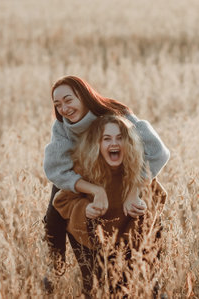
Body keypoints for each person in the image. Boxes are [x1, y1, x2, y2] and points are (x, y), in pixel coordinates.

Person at [43, 75, 170, 291]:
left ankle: (154, 284)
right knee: (53, 215)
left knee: (145, 208)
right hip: (79, 176)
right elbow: (55, 168)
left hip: (123, 174)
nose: (64, 108)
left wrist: (133, 190)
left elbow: (157, 152)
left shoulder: (115, 114)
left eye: (68, 100)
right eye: (58, 104)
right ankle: (56, 268)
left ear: (83, 96)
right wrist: (93, 189)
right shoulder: (62, 126)